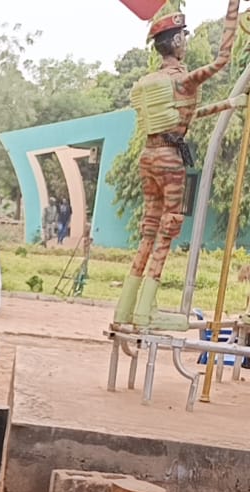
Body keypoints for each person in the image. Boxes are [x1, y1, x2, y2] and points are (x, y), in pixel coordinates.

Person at [113, 5, 245, 330]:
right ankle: (145, 311)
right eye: (183, 37)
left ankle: (126, 308)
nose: (185, 42)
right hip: (170, 160)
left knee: (149, 228)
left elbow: (186, 115)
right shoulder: (184, 80)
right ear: (175, 42)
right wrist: (233, 8)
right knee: (168, 227)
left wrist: (229, 104)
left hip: (148, 156)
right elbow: (222, 59)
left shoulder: (150, 84)